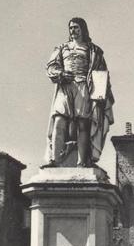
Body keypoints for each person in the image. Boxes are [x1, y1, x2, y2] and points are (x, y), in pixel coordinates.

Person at [45, 18, 114, 167]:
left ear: (83, 29)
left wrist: (100, 92)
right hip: (65, 86)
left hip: (83, 86)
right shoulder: (62, 48)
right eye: (71, 28)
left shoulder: (92, 50)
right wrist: (61, 74)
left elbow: (101, 72)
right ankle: (55, 159)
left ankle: (82, 161)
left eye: (76, 28)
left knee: (83, 123)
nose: (73, 31)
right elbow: (51, 67)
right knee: (59, 120)